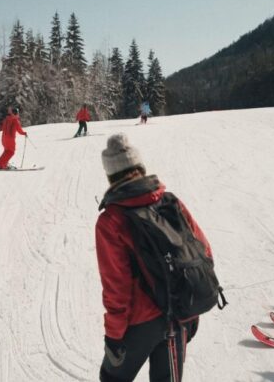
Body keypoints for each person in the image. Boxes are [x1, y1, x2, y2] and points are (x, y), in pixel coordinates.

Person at [95, 133, 213, 381]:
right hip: (180, 314)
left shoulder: (111, 220)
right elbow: (203, 251)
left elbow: (116, 287)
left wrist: (114, 336)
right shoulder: (170, 202)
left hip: (140, 323)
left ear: (111, 175)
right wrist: (190, 311)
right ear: (140, 168)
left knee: (112, 377)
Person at [0, 106, 27, 170]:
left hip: (4, 139)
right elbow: (19, 131)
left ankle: (2, 164)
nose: (18, 114)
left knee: (6, 151)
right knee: (11, 152)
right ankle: (0, 165)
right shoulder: (15, 120)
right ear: (16, 113)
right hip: (10, 139)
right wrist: (24, 133)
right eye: (17, 113)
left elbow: (2, 127)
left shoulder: (6, 119)